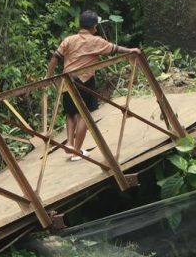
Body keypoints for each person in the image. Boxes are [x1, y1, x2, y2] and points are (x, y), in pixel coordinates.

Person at [46, 10, 142, 161]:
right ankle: (77, 152)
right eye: (96, 26)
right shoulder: (96, 41)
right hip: (85, 81)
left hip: (67, 79)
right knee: (85, 115)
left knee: (71, 113)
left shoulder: (69, 40)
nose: (96, 29)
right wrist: (131, 50)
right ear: (93, 26)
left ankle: (70, 143)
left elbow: (55, 57)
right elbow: (115, 49)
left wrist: (48, 77)